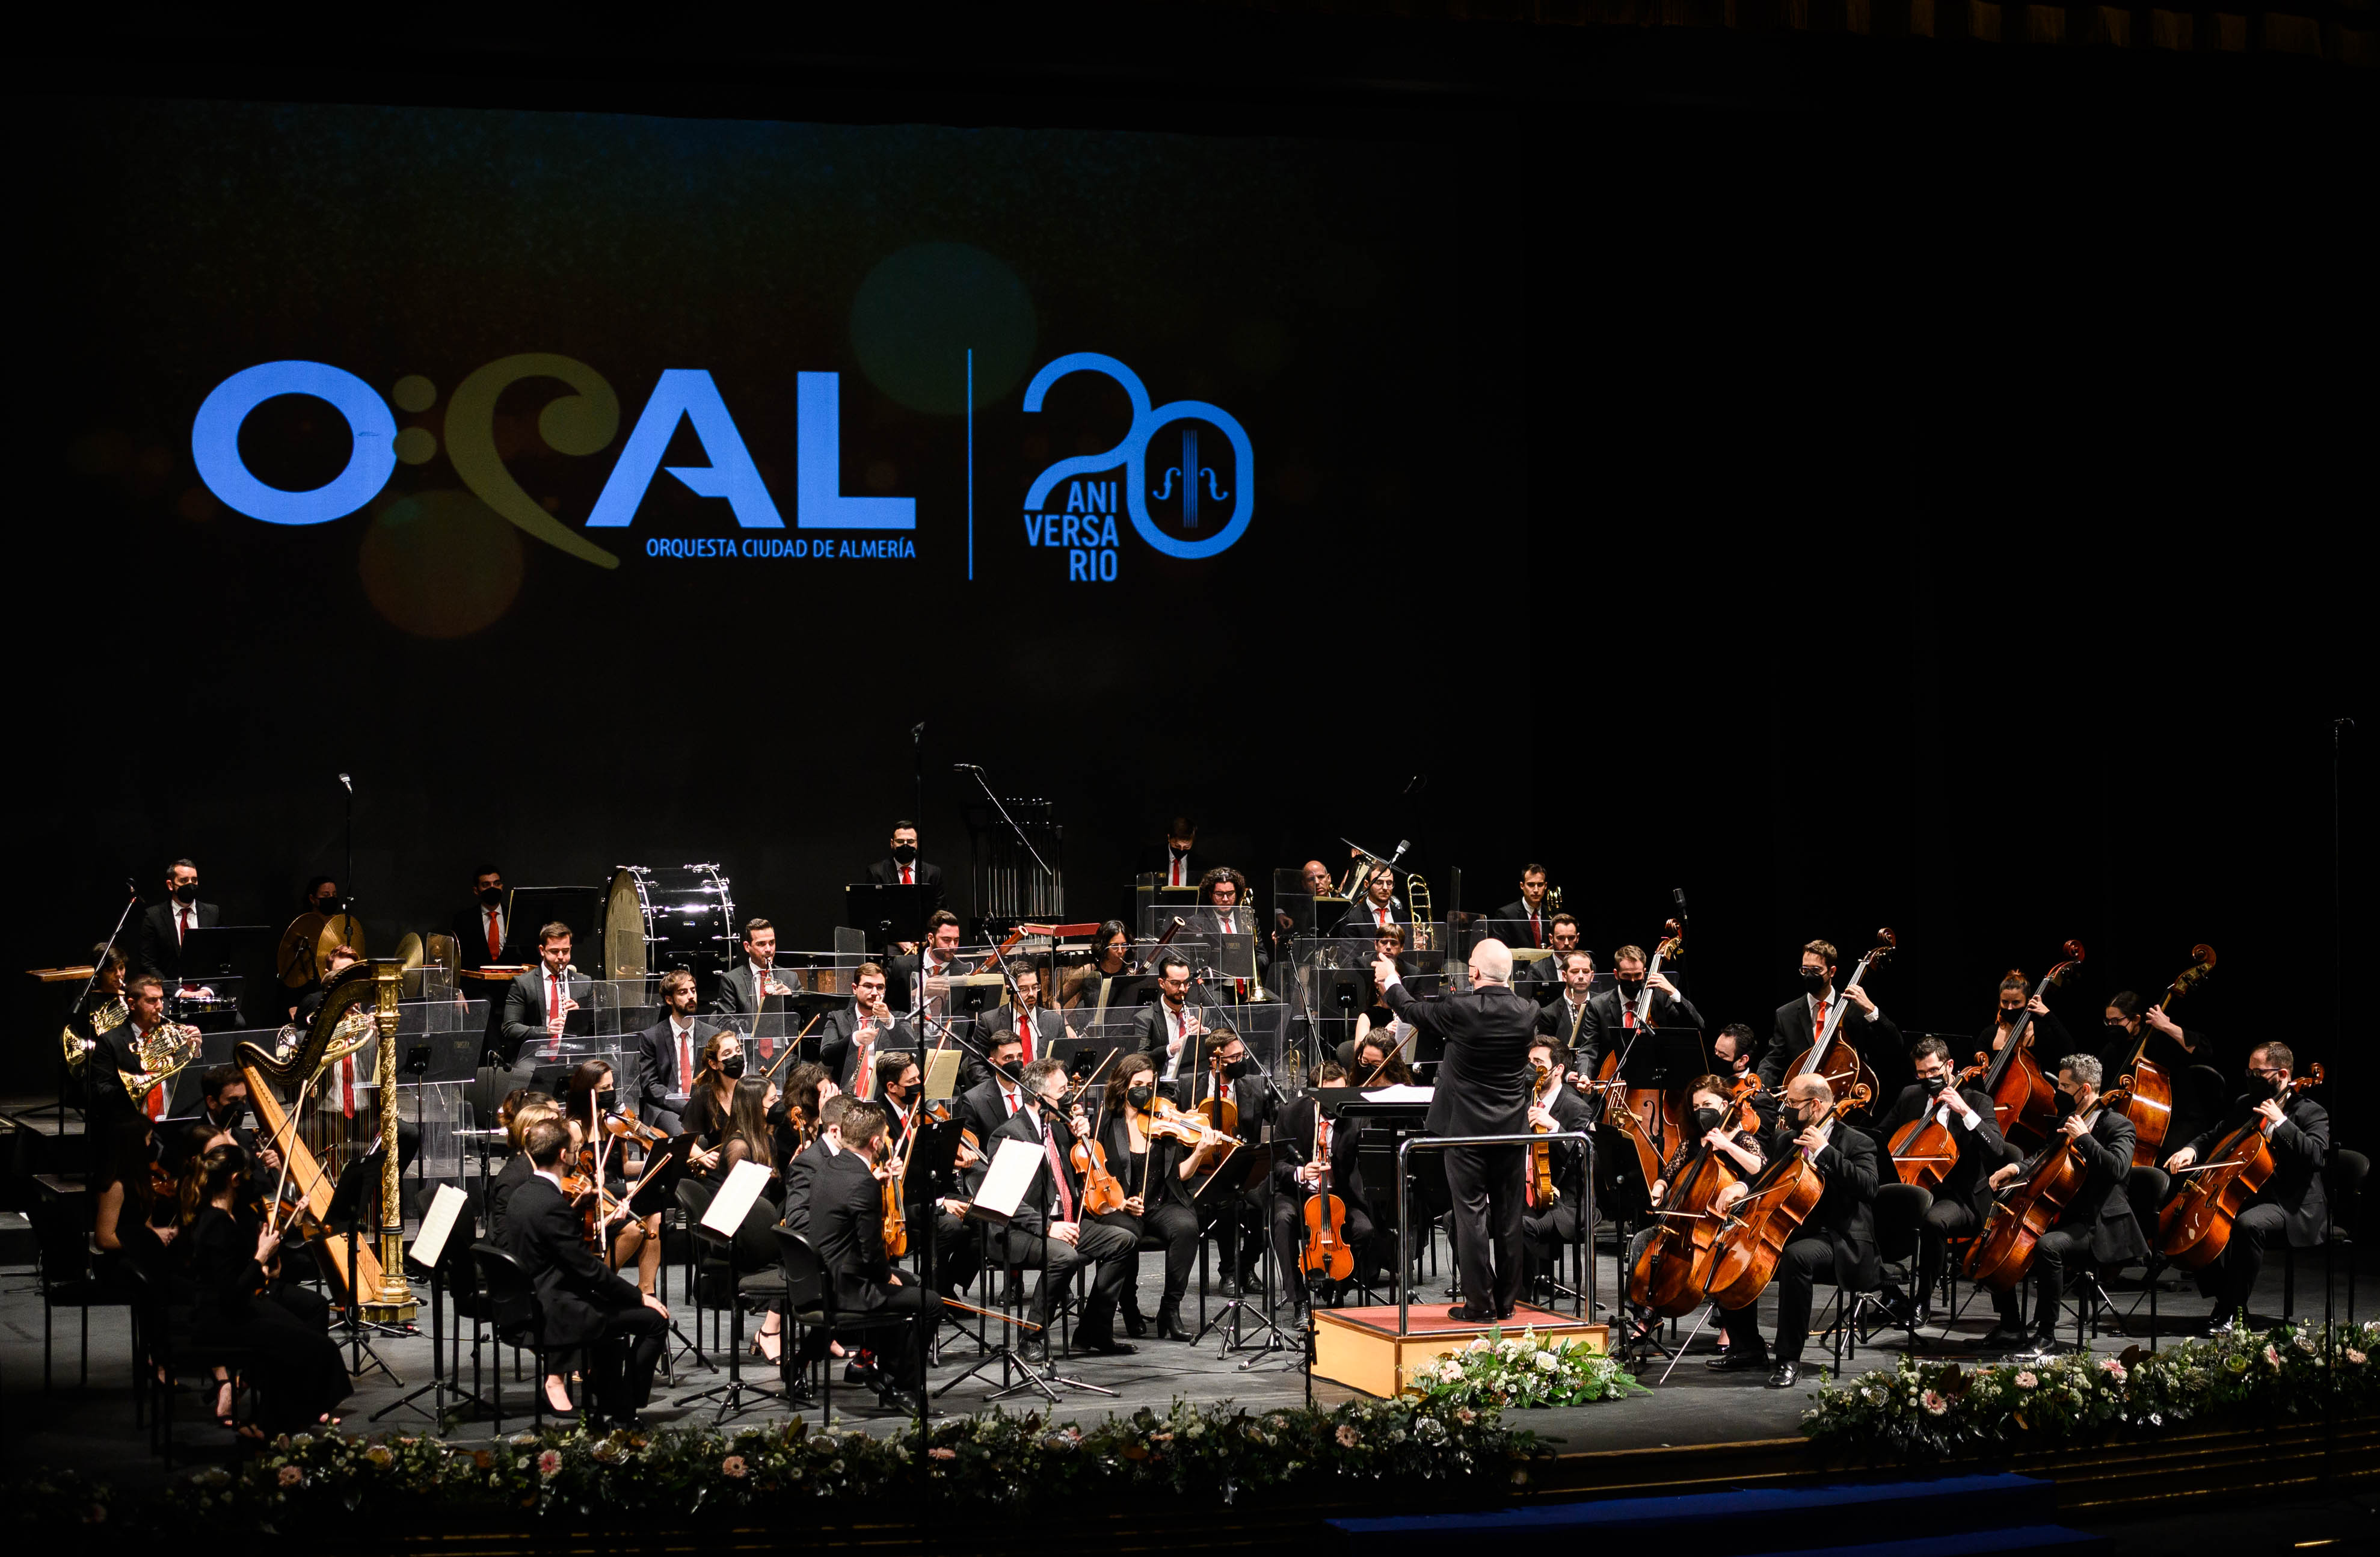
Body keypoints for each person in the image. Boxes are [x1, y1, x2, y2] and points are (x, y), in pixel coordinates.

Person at [1377, 936, 1536, 1322]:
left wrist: (1391, 979)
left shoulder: (1461, 1008)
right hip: (1512, 1131)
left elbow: (1412, 1011)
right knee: (1510, 1217)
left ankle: (1480, 1304)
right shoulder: (1528, 1010)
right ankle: (1508, 1302)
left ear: (1475, 972)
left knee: (1471, 1216)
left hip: (1465, 1132)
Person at [1710, 1072, 1878, 1388]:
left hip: (1839, 1237)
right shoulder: (1786, 1139)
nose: (1785, 1108)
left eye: (1792, 1103)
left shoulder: (1857, 1142)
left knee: (1795, 1258)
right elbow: (1767, 1178)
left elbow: (1869, 1189)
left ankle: (1789, 1359)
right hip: (1794, 1227)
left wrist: (1826, 1151)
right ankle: (1747, 1346)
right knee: (1727, 1246)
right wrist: (1742, 1186)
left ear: (1815, 1106)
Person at [500, 1116, 669, 1426]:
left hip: (536, 1295)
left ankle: (611, 1397)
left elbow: (552, 1240)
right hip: (560, 1306)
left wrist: (577, 1210)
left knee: (627, 1316)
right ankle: (625, 1407)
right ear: (564, 1156)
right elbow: (589, 1270)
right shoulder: (551, 1206)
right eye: (575, 1149)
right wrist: (639, 1297)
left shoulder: (524, 1194)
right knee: (656, 1321)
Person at [2163, 1041, 2329, 1333]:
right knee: (2194, 1228)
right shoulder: (2246, 1104)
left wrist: (2282, 1124)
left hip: (2292, 1204)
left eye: (2258, 1072)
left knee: (2248, 1226)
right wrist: (2191, 1149)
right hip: (2251, 1193)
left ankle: (2233, 1312)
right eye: (2249, 1071)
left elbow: (2317, 1157)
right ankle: (2226, 1301)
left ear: (2282, 1075)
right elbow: (2215, 1135)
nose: (2251, 1078)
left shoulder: (2310, 1113)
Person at [1980, 1054, 2143, 1350]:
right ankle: (2011, 1326)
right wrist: (2015, 1168)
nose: (2059, 1092)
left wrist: (2084, 1138)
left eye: (2065, 1086)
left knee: (2048, 1247)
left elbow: (2117, 1168)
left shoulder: (2119, 1125)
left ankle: (2046, 1335)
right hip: (2064, 1216)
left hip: (2098, 1224)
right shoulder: (2068, 1121)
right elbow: (2043, 1157)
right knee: (1998, 1243)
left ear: (2084, 1090)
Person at [986, 1057, 1140, 1355]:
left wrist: (1079, 1131)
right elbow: (1008, 1201)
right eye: (1063, 1092)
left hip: (1064, 1222)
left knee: (1124, 1241)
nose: (1069, 1097)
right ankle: (1031, 1337)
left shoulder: (1057, 1128)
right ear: (1040, 1098)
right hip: (1020, 1229)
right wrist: (1049, 1227)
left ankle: (1094, 1329)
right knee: (1064, 1256)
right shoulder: (1010, 1134)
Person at [805, 1099, 939, 1407]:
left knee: (912, 1283)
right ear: (876, 1142)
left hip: (825, 1275)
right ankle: (902, 1387)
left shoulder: (831, 1165)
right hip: (849, 1288)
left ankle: (870, 1362)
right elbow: (872, 1251)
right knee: (930, 1303)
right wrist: (886, 1276)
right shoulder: (863, 1182)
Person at [1623, 1075, 1767, 1340]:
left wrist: (1726, 1146)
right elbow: (1667, 1175)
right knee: (1642, 1241)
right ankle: (1646, 1316)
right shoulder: (1691, 1143)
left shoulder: (1741, 1139)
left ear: (1725, 1105)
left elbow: (1760, 1167)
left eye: (1707, 1104)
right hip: (1686, 1219)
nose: (1702, 1112)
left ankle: (1728, 1325)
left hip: (1724, 1220)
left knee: (1724, 1250)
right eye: (1697, 1107)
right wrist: (1659, 1189)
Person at [1872, 1038, 2005, 1324]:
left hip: (1961, 1197)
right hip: (1915, 1186)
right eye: (1921, 1073)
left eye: (1933, 1071)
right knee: (1863, 1211)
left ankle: (1922, 1302)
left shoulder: (1977, 1101)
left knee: (1934, 1222)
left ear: (1950, 1065)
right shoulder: (1910, 1096)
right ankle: (1891, 1291)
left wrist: (1964, 1112)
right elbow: (1879, 1139)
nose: (1927, 1079)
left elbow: (1996, 1148)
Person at [1077, 1051, 1204, 1339]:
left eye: (1150, 1085)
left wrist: (1200, 1152)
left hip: (1161, 1202)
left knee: (1187, 1227)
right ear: (1123, 1086)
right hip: (1121, 1206)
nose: (1145, 1091)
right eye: (1138, 1084)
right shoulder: (1106, 1122)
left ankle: (1170, 1310)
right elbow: (1096, 1171)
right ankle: (1130, 1307)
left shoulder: (1165, 1122)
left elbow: (1180, 1175)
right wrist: (1121, 1202)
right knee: (1128, 1234)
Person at [1271, 1059, 1376, 1313]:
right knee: (1283, 1221)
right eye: (1330, 1095)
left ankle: (1337, 1288)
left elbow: (1369, 1162)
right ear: (1314, 1095)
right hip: (1298, 1194)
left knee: (1364, 1230)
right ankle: (1299, 1300)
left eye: (1341, 1092)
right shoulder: (1291, 1113)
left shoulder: (1356, 1116)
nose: (1337, 1102)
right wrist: (1301, 1172)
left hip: (1340, 1196)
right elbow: (1276, 1164)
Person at [1758, 939, 1897, 1092]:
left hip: (1845, 1094)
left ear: (1832, 971)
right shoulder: (1786, 1015)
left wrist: (1871, 1009)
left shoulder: (1854, 1010)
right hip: (1801, 1097)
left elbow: (1894, 1045)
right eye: (1805, 970)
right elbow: (1773, 1061)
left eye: (1816, 971)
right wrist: (1758, 1088)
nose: (1809, 976)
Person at [1518, 1036, 1597, 1296]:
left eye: (1538, 1063)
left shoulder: (1577, 1108)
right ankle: (1489, 1287)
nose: (1532, 1069)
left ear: (1558, 1069)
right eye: (1529, 1062)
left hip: (1565, 1202)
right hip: (1522, 1194)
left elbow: (1590, 1160)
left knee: (1521, 1226)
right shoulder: (1521, 1101)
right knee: (1460, 1220)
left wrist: (1555, 1128)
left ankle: (1520, 1299)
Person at [2103, 989, 2223, 1158]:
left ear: (2136, 1019)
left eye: (2116, 1021)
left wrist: (2167, 1026)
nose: (2111, 1027)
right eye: (2108, 1021)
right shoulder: (2114, 1048)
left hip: (2180, 1116)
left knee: (2169, 1153)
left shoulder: (2161, 1038)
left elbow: (2205, 1049)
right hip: (2142, 1120)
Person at [1576, 944, 1705, 1081]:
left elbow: (1697, 1025)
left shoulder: (1660, 999)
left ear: (1644, 972)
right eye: (1626, 975)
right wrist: (1584, 1074)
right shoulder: (1598, 1006)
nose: (1632, 981)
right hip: (1613, 1078)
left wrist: (1673, 993)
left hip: (1654, 1077)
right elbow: (1590, 1047)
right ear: (1616, 974)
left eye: (1637, 975)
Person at [498, 923, 589, 1078]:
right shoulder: (524, 984)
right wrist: (546, 1031)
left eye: (565, 951)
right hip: (535, 1055)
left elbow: (597, 1027)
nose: (561, 957)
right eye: (554, 952)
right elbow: (510, 1027)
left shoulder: (584, 983)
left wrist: (579, 1017)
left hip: (574, 1054)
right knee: (530, 1076)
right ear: (542, 950)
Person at [631, 969, 717, 1134]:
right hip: (666, 1108)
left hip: (704, 1105)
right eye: (683, 993)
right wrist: (686, 1106)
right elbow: (651, 1085)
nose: (691, 996)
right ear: (669, 999)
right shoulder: (652, 1037)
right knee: (683, 1134)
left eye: (693, 990)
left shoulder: (712, 1034)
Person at [819, 962, 918, 1097]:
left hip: (885, 1097)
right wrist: (855, 1040)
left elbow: (913, 1054)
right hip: (846, 1098)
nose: (874, 993)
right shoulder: (837, 1018)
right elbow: (826, 1057)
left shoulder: (898, 1019)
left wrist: (890, 1022)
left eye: (880, 988)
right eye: (868, 986)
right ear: (855, 988)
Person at [969, 962, 1063, 1084]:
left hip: (1043, 1094)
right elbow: (975, 1066)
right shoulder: (989, 1022)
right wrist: (999, 1093)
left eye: (1035, 987)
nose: (1031, 994)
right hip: (1005, 1095)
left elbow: (1064, 1063)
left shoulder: (1054, 1022)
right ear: (1010, 989)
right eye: (1024, 989)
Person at [484, 1093, 559, 1242]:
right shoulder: (514, 1177)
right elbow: (505, 1240)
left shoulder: (540, 1167)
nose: (562, 1132)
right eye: (553, 1128)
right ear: (529, 1132)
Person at [137, 858, 220, 981]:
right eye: (184, 881)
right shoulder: (154, 916)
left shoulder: (213, 913)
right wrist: (177, 991)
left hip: (205, 990)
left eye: (194, 880)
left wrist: (209, 988)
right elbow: (147, 964)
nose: (191, 885)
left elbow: (219, 958)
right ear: (171, 885)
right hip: (169, 993)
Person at [1130, 954, 1206, 1087]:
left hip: (1197, 1085)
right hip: (1163, 1087)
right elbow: (1140, 1059)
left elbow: (1218, 1050)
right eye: (1176, 983)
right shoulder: (1146, 1018)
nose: (1183, 989)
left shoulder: (1201, 1013)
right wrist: (1171, 1049)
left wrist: (1205, 1034)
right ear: (1162, 983)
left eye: (1187, 982)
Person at [1191, 866, 1268, 978]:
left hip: (1248, 984)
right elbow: (1195, 963)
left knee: (1275, 998)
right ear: (1210, 894)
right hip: (1217, 985)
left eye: (1230, 893)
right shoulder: (1198, 923)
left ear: (1237, 894)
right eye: (1219, 894)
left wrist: (1247, 964)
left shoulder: (1249, 920)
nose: (1226, 899)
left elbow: (1263, 957)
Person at [885, 909, 964, 1018]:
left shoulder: (964, 971)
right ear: (931, 938)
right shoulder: (901, 966)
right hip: (909, 1032)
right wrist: (918, 993)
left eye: (956, 940)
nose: (952, 946)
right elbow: (886, 1003)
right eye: (946, 940)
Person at [713, 919, 796, 1020]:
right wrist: (760, 1021)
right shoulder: (731, 981)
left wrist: (790, 1003)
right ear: (747, 947)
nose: (769, 949)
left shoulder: (791, 978)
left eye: (772, 943)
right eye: (761, 944)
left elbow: (802, 1021)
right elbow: (724, 1024)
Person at [1536, 948, 1598, 1070]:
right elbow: (1547, 1055)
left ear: (1592, 976)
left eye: (1586, 972)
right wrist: (1567, 1076)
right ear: (1564, 976)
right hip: (1564, 1078)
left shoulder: (1602, 1005)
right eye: (1575, 972)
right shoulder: (1548, 1014)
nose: (1581, 976)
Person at [864, 820, 945, 905]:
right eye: (900, 841)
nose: (905, 846)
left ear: (917, 843)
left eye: (910, 842)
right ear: (892, 843)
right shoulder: (876, 873)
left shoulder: (933, 873)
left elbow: (941, 910)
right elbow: (870, 909)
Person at [1062, 921, 1131, 1009]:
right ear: (1103, 947)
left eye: (1124, 945)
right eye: (1114, 946)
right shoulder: (1088, 971)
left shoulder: (1130, 972)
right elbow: (1057, 1001)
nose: (1121, 951)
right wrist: (1066, 1023)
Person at [1516, 915, 1581, 1004]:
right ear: (1551, 939)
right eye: (1561, 938)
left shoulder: (1588, 968)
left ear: (1577, 938)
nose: (1566, 943)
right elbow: (1528, 1004)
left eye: (1571, 938)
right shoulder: (1537, 971)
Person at [451, 865, 509, 965]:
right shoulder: (463, 920)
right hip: (476, 979)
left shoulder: (514, 917)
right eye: (486, 885)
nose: (492, 888)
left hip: (512, 980)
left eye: (496, 884)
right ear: (476, 891)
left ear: (502, 887)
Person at [1332, 861, 1407, 937]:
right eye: (1379, 882)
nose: (1385, 888)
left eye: (1389, 883)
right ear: (1367, 884)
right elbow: (1349, 949)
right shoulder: (1352, 919)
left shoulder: (1403, 917)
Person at [1493, 865, 1554, 950]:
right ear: (1522, 886)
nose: (1536, 890)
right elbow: (1499, 950)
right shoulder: (1506, 915)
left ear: (1546, 886)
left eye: (1540, 885)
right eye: (1531, 885)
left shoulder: (1552, 914)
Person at [1151, 815, 1198, 888]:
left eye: (1187, 847)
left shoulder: (1200, 864)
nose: (1182, 850)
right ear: (1169, 838)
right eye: (1177, 846)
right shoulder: (1151, 857)